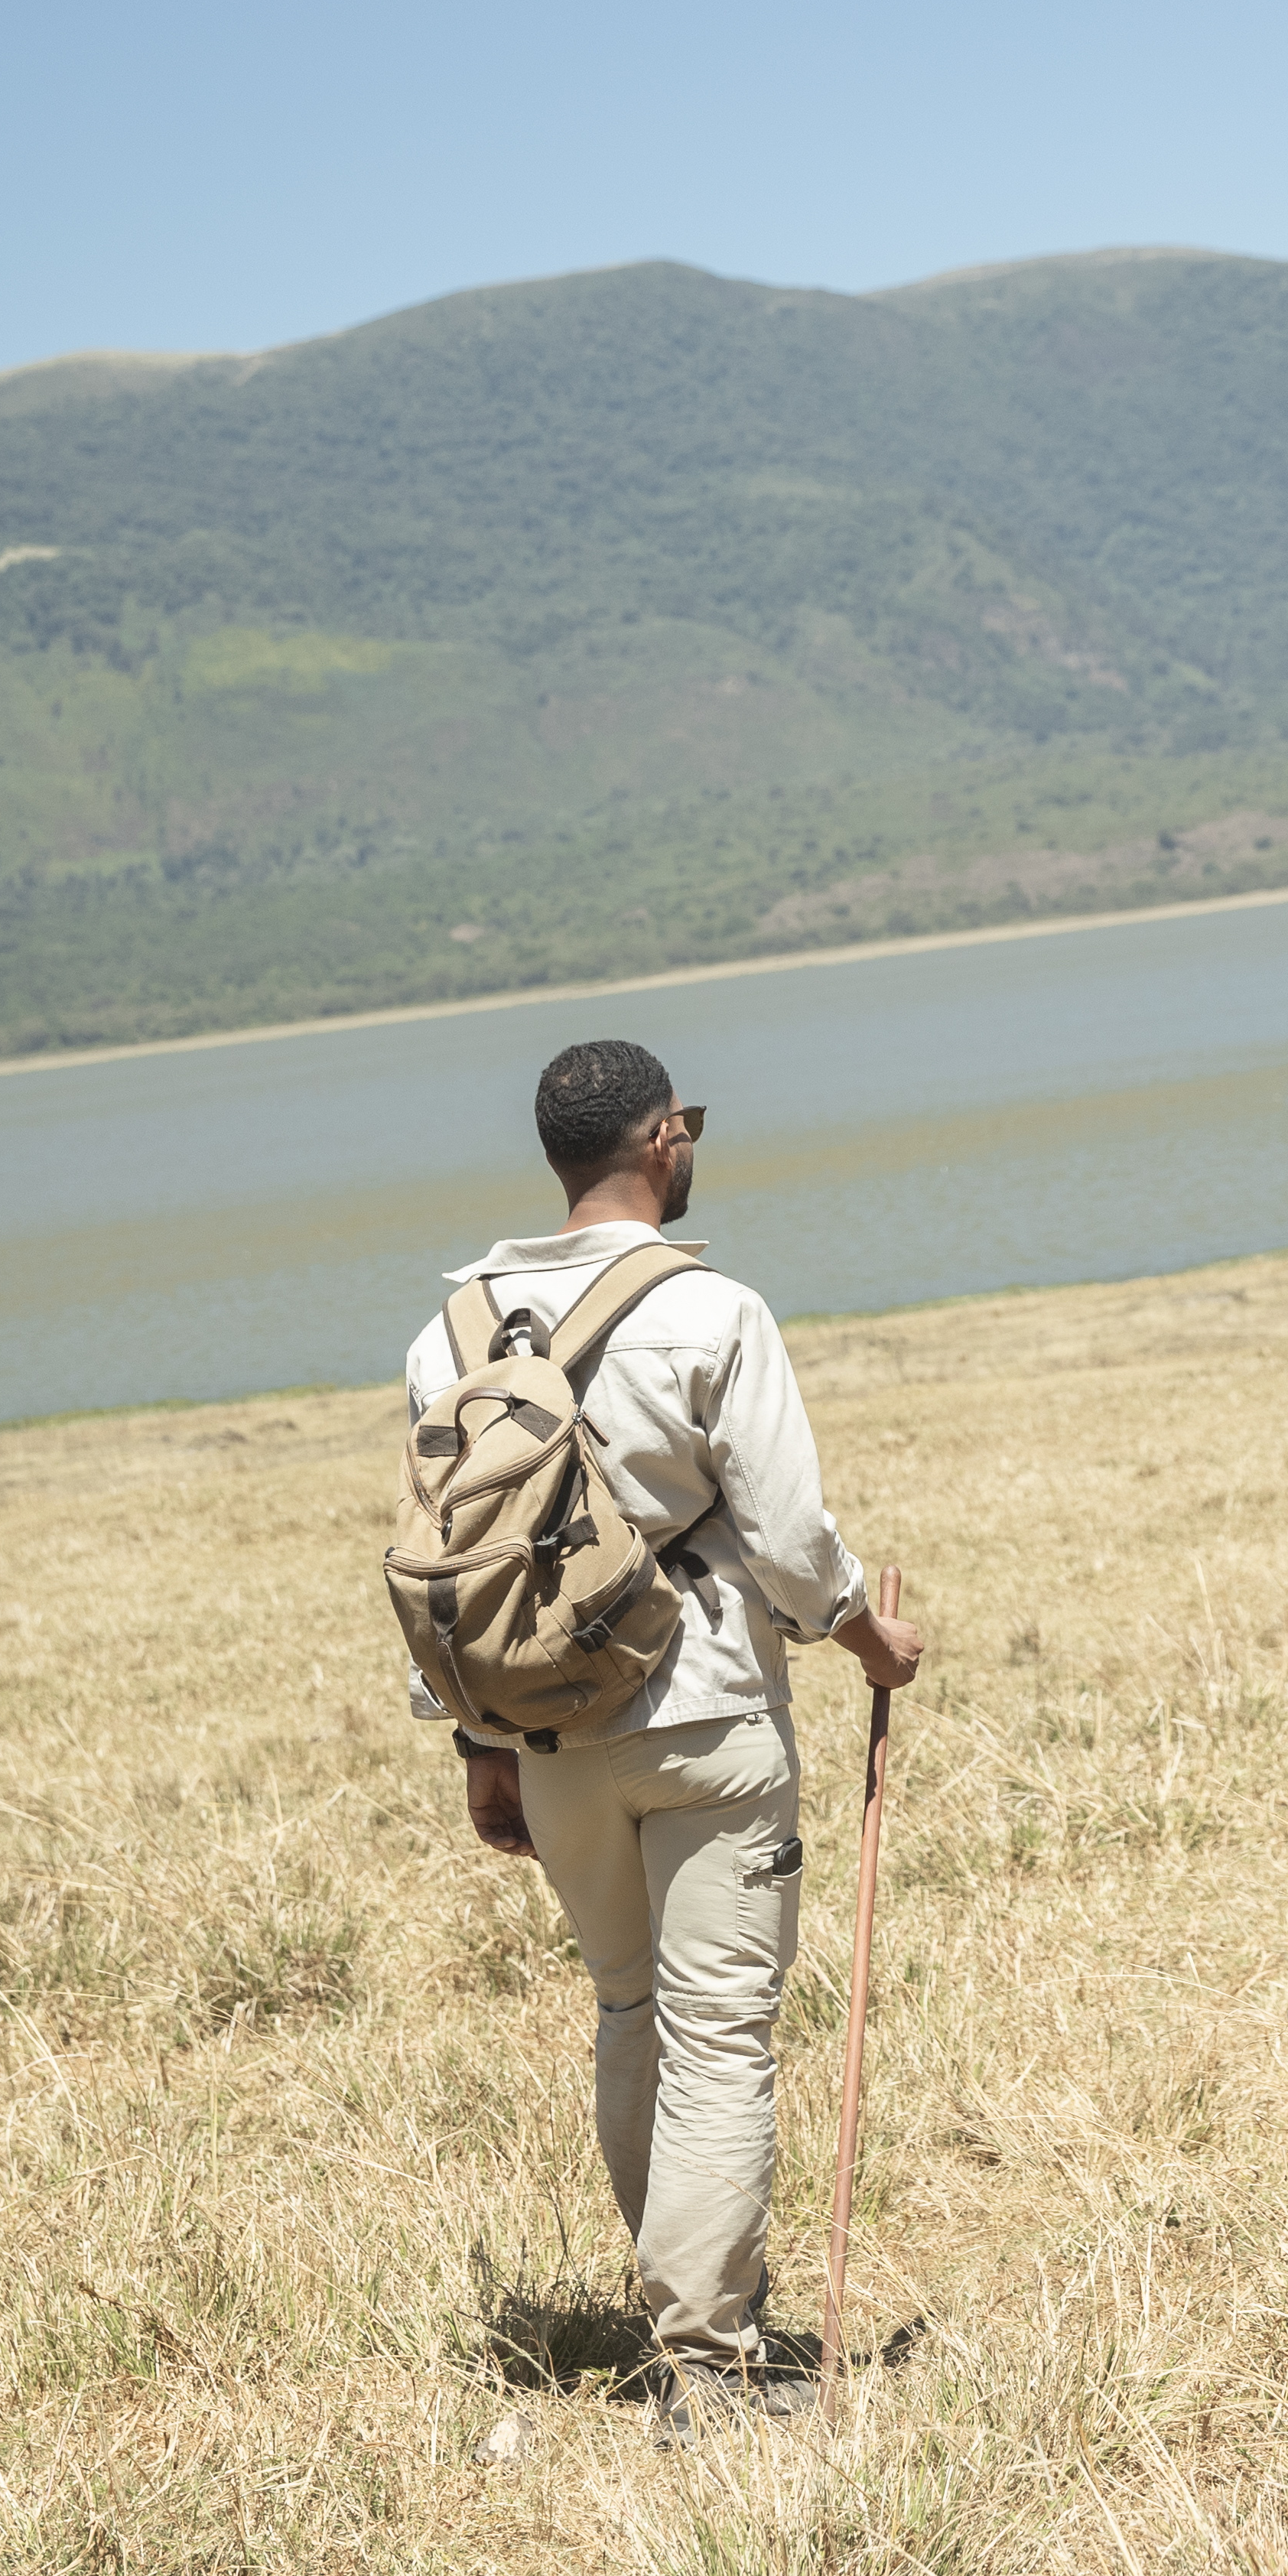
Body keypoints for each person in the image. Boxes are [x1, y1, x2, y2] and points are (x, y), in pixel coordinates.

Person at [411, 1040, 923, 2443]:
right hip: (705, 1712)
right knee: (719, 2036)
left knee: (631, 2011)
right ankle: (712, 2362)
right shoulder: (713, 1308)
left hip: (544, 1729)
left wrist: (480, 1748)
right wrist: (869, 1639)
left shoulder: (448, 1333)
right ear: (664, 1139)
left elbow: (451, 1561)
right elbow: (794, 1538)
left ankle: (681, 2312)